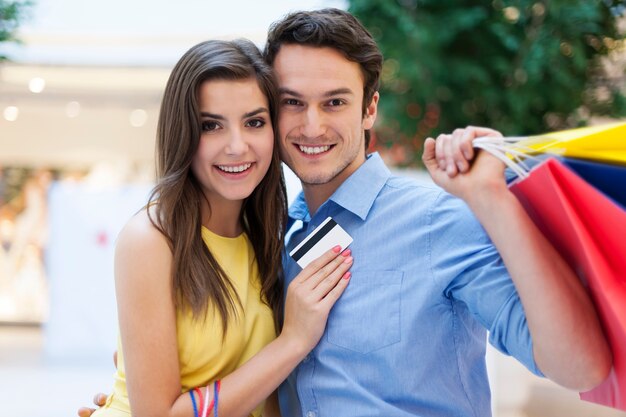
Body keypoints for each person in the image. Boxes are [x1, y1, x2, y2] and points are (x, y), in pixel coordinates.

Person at [82, 8, 612, 417]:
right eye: (292, 103)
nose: (312, 127)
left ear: (369, 109)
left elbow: (578, 367)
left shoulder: (439, 220)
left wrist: (493, 201)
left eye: (334, 102)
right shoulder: (270, 235)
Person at [85, 38, 354, 417]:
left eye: (254, 122)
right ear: (184, 135)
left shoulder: (271, 236)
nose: (236, 146)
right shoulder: (152, 239)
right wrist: (293, 340)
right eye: (211, 125)